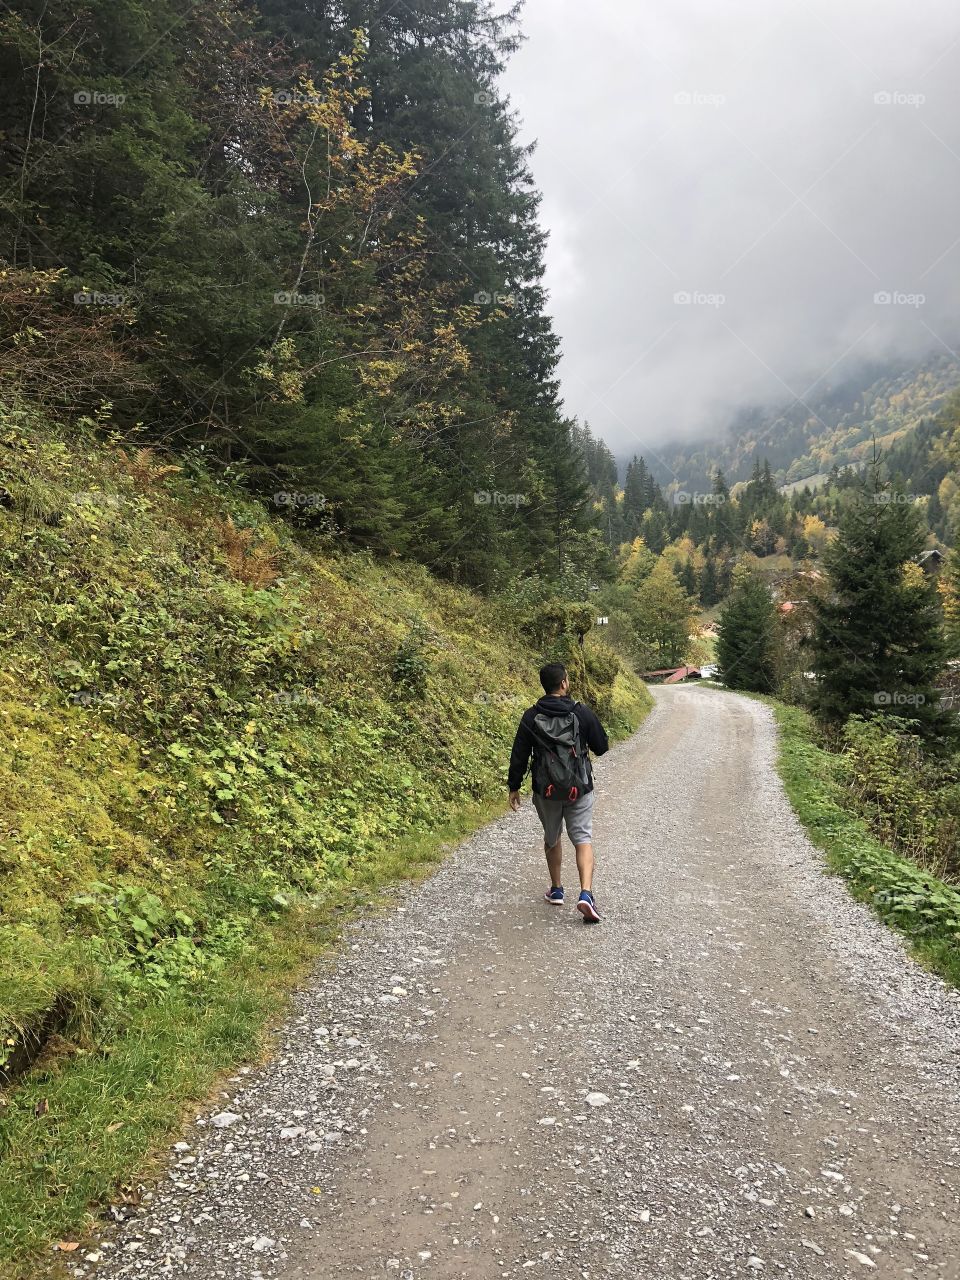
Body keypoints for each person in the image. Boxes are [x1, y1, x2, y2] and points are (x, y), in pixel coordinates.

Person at [508, 662, 609, 922]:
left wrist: (514, 786)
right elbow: (601, 747)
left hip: (546, 790)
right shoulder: (581, 712)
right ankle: (586, 894)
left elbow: (519, 754)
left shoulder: (531, 716)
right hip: (580, 787)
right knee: (582, 838)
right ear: (563, 683)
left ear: (544, 685)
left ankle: (556, 889)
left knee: (552, 837)